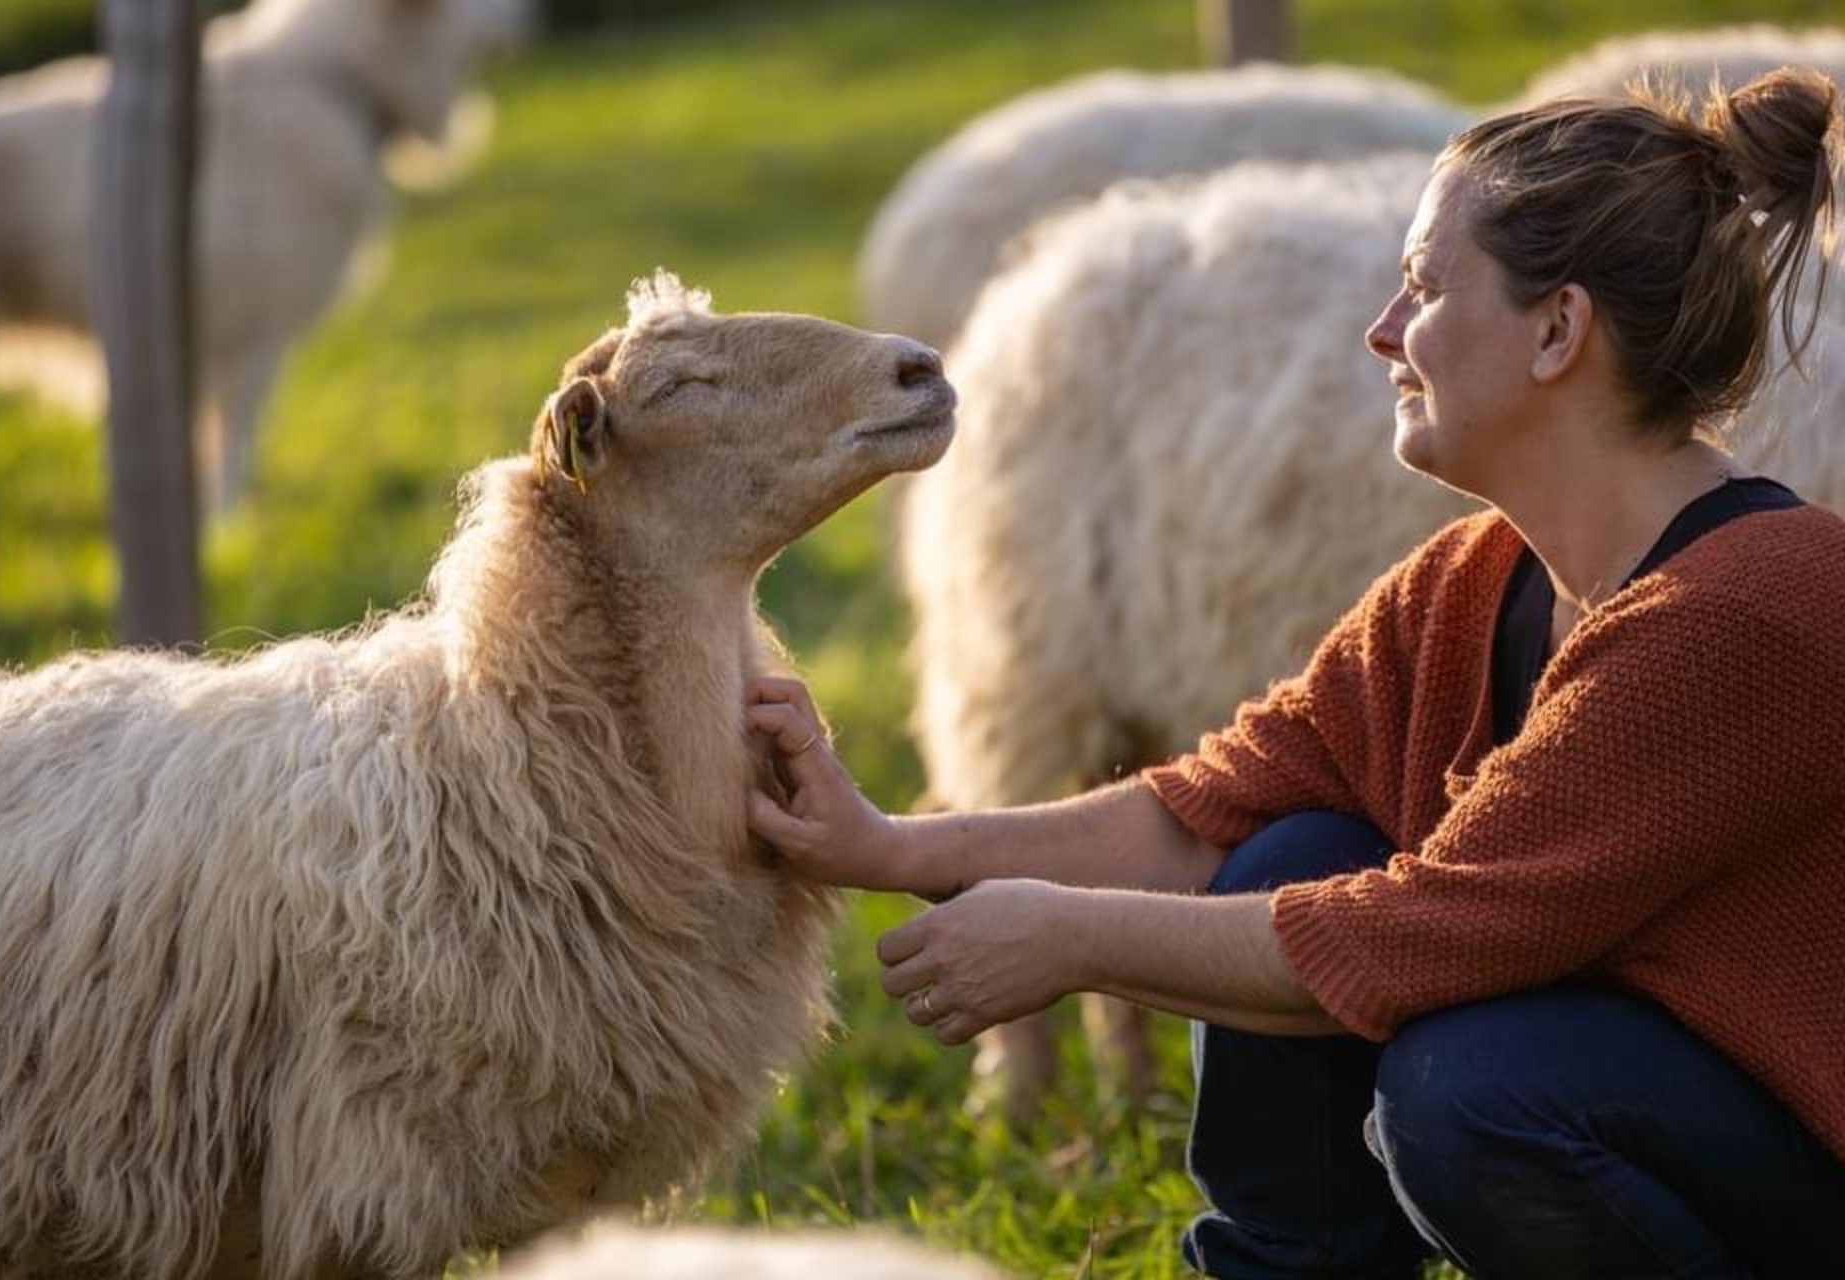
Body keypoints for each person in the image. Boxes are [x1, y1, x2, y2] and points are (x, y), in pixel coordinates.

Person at [745, 68, 1845, 1280]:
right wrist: (891, 846)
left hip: (1808, 1153)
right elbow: (1208, 807)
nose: (1381, 328)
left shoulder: (1746, 610)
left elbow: (1420, 935)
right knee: (1287, 849)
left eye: (1423, 288)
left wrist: (1067, 935)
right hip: (1678, 1086)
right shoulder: (1474, 580)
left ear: (1556, 332)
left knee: (1473, 1088)